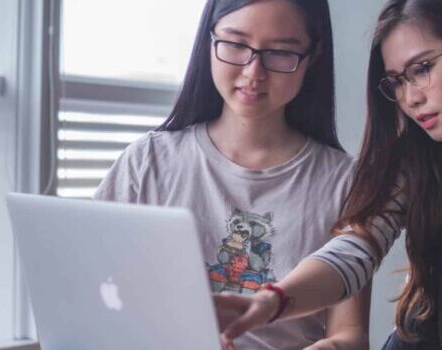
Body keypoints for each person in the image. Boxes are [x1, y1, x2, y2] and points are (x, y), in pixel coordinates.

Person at [215, 0, 442, 349]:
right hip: (430, 340)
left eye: (422, 69)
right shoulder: (415, 155)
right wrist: (273, 301)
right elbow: (355, 249)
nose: (410, 98)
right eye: (397, 82)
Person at [93, 0, 370, 349]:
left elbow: (351, 335)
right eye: (237, 45)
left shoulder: (345, 181)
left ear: (312, 57)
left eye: (281, 52)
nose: (254, 72)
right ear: (209, 41)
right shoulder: (148, 162)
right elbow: (92, 294)